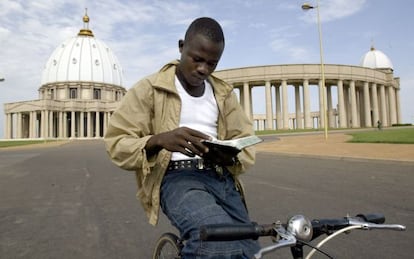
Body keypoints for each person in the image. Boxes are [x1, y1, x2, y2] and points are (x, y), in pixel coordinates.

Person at [104, 17, 260, 258]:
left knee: (249, 249)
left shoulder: (223, 93)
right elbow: (116, 142)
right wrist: (157, 140)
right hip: (177, 178)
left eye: (212, 63)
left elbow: (245, 138)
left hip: (221, 179)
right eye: (197, 59)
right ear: (181, 47)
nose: (203, 69)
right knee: (216, 241)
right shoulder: (149, 89)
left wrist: (227, 156)